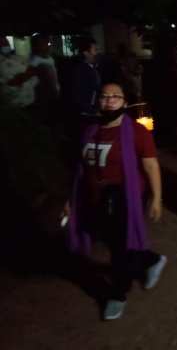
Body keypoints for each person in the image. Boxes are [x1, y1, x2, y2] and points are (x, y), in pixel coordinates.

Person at [66, 82, 166, 321]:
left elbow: (151, 165)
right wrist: (71, 200)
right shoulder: (90, 130)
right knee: (111, 240)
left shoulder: (137, 132)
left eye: (115, 96)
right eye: (104, 96)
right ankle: (151, 259)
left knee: (119, 249)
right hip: (95, 197)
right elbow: (81, 168)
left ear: (125, 102)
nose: (109, 100)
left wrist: (157, 199)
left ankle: (117, 294)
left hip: (126, 197)